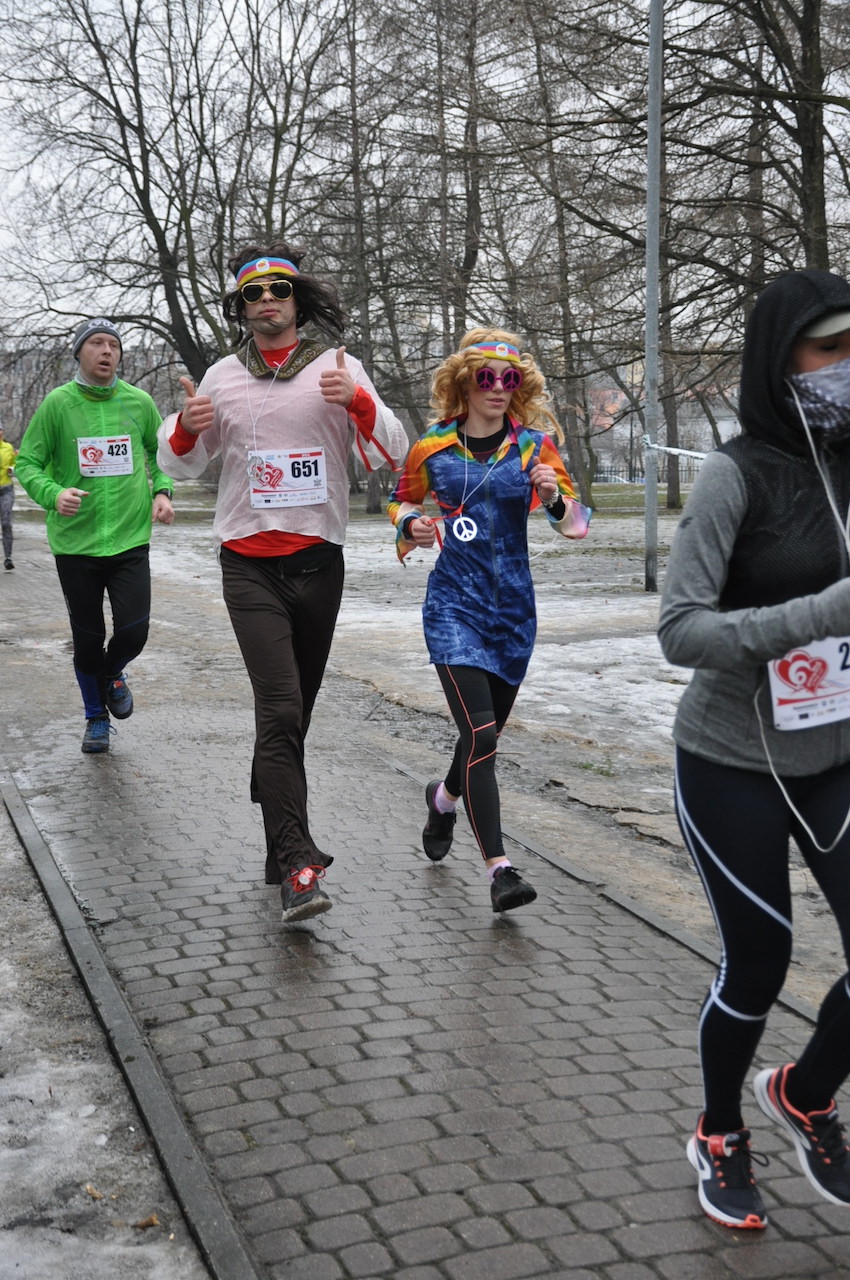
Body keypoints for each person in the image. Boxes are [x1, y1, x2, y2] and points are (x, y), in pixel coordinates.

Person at [658, 268, 850, 1231]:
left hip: (835, 753)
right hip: (731, 757)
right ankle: (719, 1128)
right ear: (782, 361)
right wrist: (822, 612)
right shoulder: (736, 474)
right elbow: (681, 629)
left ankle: (804, 1095)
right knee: (761, 960)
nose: (849, 365)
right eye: (831, 349)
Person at [157, 242, 407, 925]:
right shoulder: (221, 377)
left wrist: (358, 402)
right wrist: (185, 431)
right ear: (240, 307)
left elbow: (391, 453)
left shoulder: (336, 367)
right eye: (253, 293)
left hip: (320, 562)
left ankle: (275, 821)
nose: (267, 300)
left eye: (279, 289)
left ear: (298, 300)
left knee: (297, 712)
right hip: (248, 565)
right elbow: (180, 465)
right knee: (280, 708)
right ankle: (299, 865)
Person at [387, 329, 590, 912]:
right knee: (480, 736)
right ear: (465, 383)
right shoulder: (432, 446)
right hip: (453, 606)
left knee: (484, 735)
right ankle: (500, 869)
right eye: (486, 377)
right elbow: (402, 499)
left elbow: (577, 523)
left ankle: (443, 800)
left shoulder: (533, 447)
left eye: (510, 379)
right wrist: (410, 525)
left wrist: (554, 497)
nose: (498, 388)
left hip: (513, 613)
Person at [15, 318, 174, 754]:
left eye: (113, 345)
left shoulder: (139, 402)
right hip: (76, 544)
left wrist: (162, 491)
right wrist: (53, 494)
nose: (107, 351)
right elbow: (27, 463)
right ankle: (96, 718)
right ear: (79, 352)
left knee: (134, 632)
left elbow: (159, 454)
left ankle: (112, 673)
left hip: (129, 538)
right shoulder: (57, 404)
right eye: (97, 343)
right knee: (87, 638)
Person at [0, 426, 18, 569]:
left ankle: (8, 558)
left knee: (6, 522)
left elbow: (14, 463)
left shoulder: (8, 447)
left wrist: (12, 468)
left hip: (6, 489)